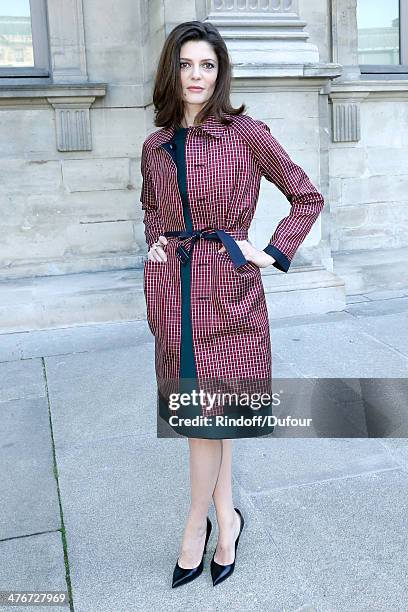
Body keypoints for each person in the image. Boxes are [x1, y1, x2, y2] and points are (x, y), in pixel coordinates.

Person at [140, 21, 325, 588]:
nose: (197, 76)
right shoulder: (154, 144)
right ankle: (227, 519)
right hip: (176, 295)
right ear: (171, 70)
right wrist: (155, 243)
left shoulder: (245, 133)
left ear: (220, 74)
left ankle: (194, 524)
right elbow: (152, 207)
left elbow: (305, 195)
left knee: (207, 420)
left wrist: (269, 253)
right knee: (208, 419)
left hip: (229, 293)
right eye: (187, 64)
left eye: (208, 65)